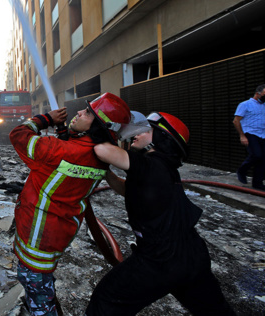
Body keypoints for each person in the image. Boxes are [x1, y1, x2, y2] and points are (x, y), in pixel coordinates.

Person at [86, 112, 235, 316]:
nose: (135, 133)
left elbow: (102, 150)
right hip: (191, 254)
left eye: (146, 130)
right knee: (214, 310)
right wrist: (107, 173)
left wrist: (102, 130)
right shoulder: (161, 167)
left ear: (162, 138)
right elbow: (127, 190)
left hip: (160, 259)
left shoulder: (152, 164)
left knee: (106, 300)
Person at [9, 93, 132, 315]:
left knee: (37, 292)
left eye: (87, 113)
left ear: (98, 125)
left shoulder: (57, 150)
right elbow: (74, 160)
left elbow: (18, 135)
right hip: (58, 233)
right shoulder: (100, 156)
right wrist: (69, 135)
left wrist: (44, 119)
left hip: (37, 234)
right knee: (41, 282)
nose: (78, 112)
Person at [233, 84, 265, 190]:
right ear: (258, 94)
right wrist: (242, 135)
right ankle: (242, 170)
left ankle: (257, 183)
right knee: (256, 155)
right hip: (250, 133)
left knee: (262, 159)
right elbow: (236, 120)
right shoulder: (245, 105)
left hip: (263, 134)